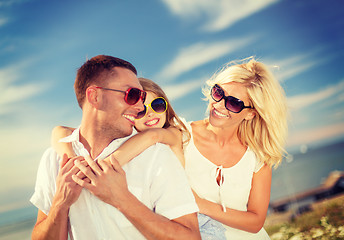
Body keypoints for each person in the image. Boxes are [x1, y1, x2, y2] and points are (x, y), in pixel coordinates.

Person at [30, 55, 201, 240]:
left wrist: (121, 199)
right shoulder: (54, 159)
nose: (139, 105)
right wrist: (59, 205)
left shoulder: (156, 155)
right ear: (94, 96)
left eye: (142, 97)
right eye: (132, 95)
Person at [51, 77, 226, 239]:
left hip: (198, 225)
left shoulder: (171, 134)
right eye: (141, 110)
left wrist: (96, 169)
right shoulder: (128, 142)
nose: (150, 114)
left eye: (157, 105)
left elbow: (150, 137)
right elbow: (59, 131)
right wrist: (75, 160)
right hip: (158, 222)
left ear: (166, 106)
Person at [183, 57, 288, 239]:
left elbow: (255, 222)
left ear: (250, 113)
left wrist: (200, 204)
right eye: (218, 92)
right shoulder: (182, 136)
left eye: (234, 103)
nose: (219, 105)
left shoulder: (258, 156)